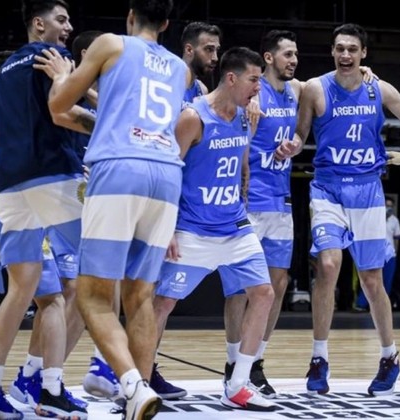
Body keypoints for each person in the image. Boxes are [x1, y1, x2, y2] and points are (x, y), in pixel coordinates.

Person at [34, 0, 189, 418]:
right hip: (167, 175)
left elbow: (58, 105)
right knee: (141, 295)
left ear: (130, 15)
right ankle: (138, 399)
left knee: (91, 295)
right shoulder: (179, 68)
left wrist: (63, 75)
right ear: (166, 23)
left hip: (121, 170)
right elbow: (125, 110)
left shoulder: (111, 44)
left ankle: (132, 385)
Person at [275, 22, 400, 396]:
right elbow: (301, 134)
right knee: (328, 266)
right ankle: (319, 358)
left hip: (367, 191)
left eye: (352, 49)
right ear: (332, 52)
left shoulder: (378, 88)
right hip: (327, 189)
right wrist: (292, 145)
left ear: (363, 53)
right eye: (339, 48)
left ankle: (390, 356)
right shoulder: (316, 88)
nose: (345, 55)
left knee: (371, 281)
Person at [0, 1, 92, 418]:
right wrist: (107, 125)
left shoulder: (0, 75)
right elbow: (63, 112)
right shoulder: (54, 57)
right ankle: (60, 385)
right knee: (109, 263)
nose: (68, 27)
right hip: (54, 174)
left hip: (10, 186)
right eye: (61, 19)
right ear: (39, 24)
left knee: (21, 290)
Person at [152, 46, 278, 412]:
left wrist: (243, 193)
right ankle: (139, 381)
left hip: (235, 226)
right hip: (192, 228)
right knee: (162, 304)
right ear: (232, 78)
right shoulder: (193, 117)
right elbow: (168, 172)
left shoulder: (244, 116)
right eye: (254, 80)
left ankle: (238, 384)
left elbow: (241, 163)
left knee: (264, 293)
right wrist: (166, 227)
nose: (259, 88)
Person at [217, 29, 303, 399]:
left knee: (278, 284)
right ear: (268, 58)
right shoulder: (251, 92)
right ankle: (232, 362)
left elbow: (332, 81)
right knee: (240, 289)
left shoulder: (296, 90)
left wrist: (364, 70)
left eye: (295, 54)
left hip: (281, 201)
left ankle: (255, 363)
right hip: (249, 200)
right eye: (287, 54)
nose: (293, 60)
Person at [145, 21, 222, 402]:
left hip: (176, 196)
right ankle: (126, 370)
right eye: (209, 49)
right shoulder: (168, 84)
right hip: (153, 190)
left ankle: (140, 369)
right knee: (144, 294)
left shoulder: (203, 93)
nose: (215, 56)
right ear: (189, 50)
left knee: (158, 296)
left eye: (217, 49)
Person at [354, 196, 400, 311]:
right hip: (374, 254)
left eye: (390, 206)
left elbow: (396, 239)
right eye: (386, 205)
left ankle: (381, 306)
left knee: (387, 281)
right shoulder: (372, 218)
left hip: (389, 255)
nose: (388, 208)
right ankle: (362, 304)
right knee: (370, 279)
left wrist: (395, 252)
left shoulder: (394, 220)